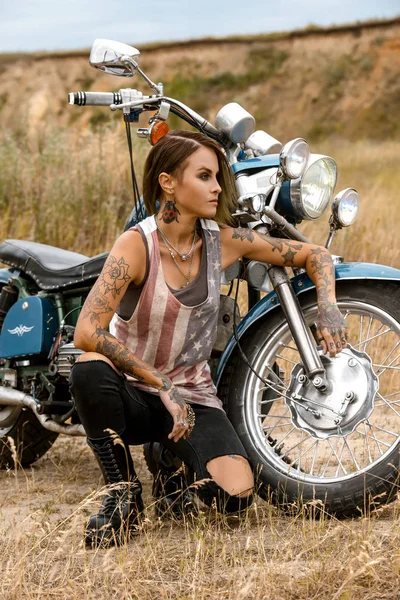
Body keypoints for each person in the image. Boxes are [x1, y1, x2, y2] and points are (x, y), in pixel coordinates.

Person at [69, 129, 348, 547]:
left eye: (217, 176)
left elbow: (314, 255)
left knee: (235, 496)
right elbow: (87, 331)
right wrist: (161, 385)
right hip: (135, 393)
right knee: (89, 369)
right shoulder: (136, 245)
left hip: (194, 398)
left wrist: (328, 305)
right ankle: (122, 495)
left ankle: (170, 465)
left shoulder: (225, 242)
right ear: (168, 182)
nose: (218, 186)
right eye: (204, 176)